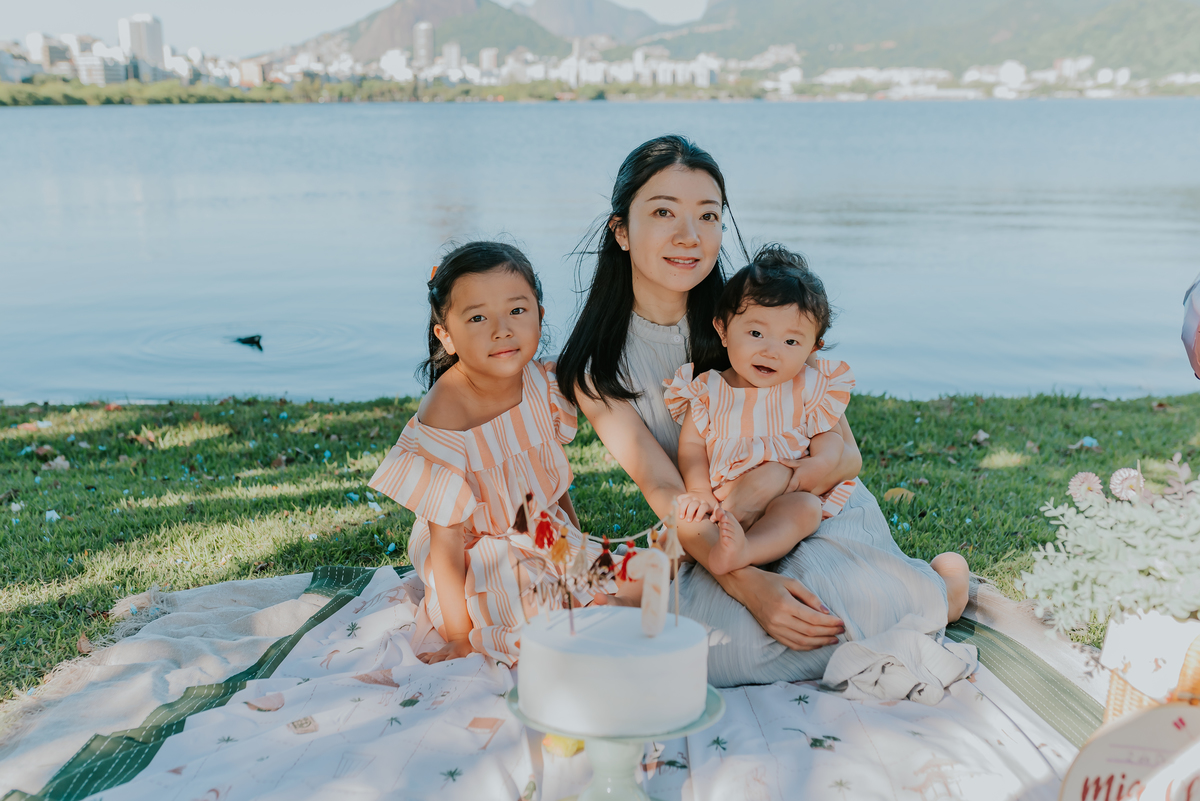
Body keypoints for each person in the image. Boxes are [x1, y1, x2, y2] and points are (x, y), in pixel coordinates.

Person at [557, 135, 968, 686]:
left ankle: (939, 588)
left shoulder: (759, 313)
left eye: (708, 216)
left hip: (814, 511)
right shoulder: (598, 368)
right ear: (622, 231)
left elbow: (847, 457)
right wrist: (748, 582)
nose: (690, 237)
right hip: (714, 534)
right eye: (663, 213)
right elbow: (667, 493)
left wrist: (782, 477)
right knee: (724, 653)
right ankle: (918, 603)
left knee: (829, 611)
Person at [368, 241, 595, 666]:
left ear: (540, 316)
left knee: (610, 584)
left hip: (538, 525)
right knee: (539, 609)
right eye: (477, 318)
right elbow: (447, 537)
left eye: (516, 311)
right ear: (447, 336)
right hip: (472, 543)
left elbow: (553, 485)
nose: (502, 330)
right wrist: (459, 635)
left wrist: (577, 545)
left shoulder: (543, 384)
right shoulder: (445, 409)